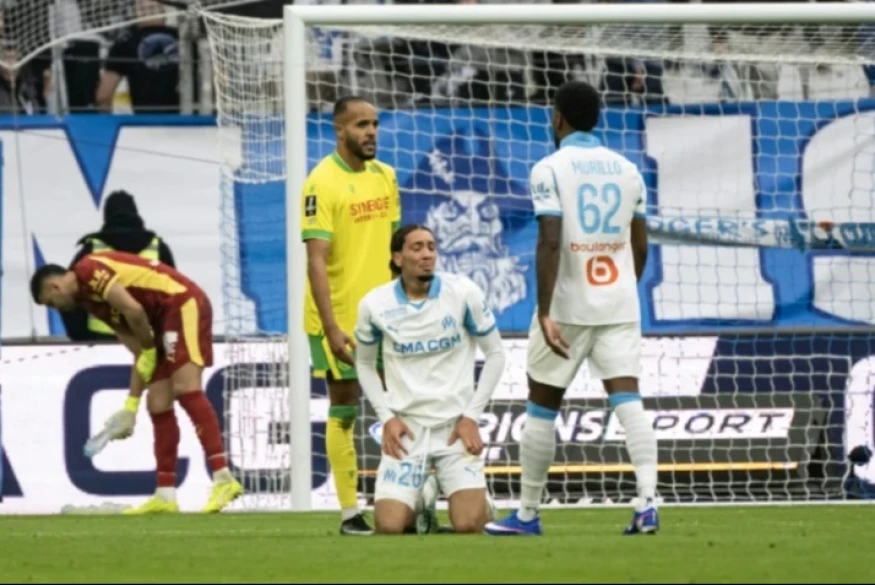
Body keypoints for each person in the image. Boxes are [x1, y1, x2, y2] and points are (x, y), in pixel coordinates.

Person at [484, 80, 657, 537]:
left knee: (542, 405)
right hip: (619, 303)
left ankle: (527, 514)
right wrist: (622, 288)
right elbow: (640, 245)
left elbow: (550, 241)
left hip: (566, 307)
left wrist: (545, 311)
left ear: (557, 117)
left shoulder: (549, 169)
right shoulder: (628, 170)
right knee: (628, 399)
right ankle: (647, 504)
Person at [30, 251, 244, 514]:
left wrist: (149, 349)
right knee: (157, 403)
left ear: (55, 286)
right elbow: (141, 353)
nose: (56, 308)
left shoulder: (88, 269)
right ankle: (165, 494)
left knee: (185, 388)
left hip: (181, 302)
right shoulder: (92, 305)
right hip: (162, 322)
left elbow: (134, 310)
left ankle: (223, 478)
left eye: (51, 303)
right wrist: (130, 407)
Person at [354, 225, 506, 535]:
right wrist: (386, 418)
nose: (427, 255)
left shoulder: (463, 293)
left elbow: (496, 354)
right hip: (407, 429)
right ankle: (423, 497)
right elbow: (365, 364)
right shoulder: (374, 305)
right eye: (417, 248)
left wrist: (471, 417)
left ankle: (480, 502)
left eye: (431, 247)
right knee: (390, 527)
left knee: (469, 525)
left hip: (455, 428)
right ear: (398, 258)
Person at [302, 95, 401, 535]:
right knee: (344, 408)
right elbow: (316, 260)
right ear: (339, 130)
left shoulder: (386, 177)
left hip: (385, 317)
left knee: (406, 405)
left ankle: (409, 502)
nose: (371, 132)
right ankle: (349, 513)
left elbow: (396, 252)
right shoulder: (320, 183)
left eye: (375, 123)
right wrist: (331, 328)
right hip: (339, 318)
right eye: (362, 125)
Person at [64, 189, 176, 342]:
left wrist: (80, 336)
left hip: (100, 339)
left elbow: (71, 295)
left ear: (106, 216)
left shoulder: (91, 250)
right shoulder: (158, 248)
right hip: (147, 337)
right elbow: (174, 298)